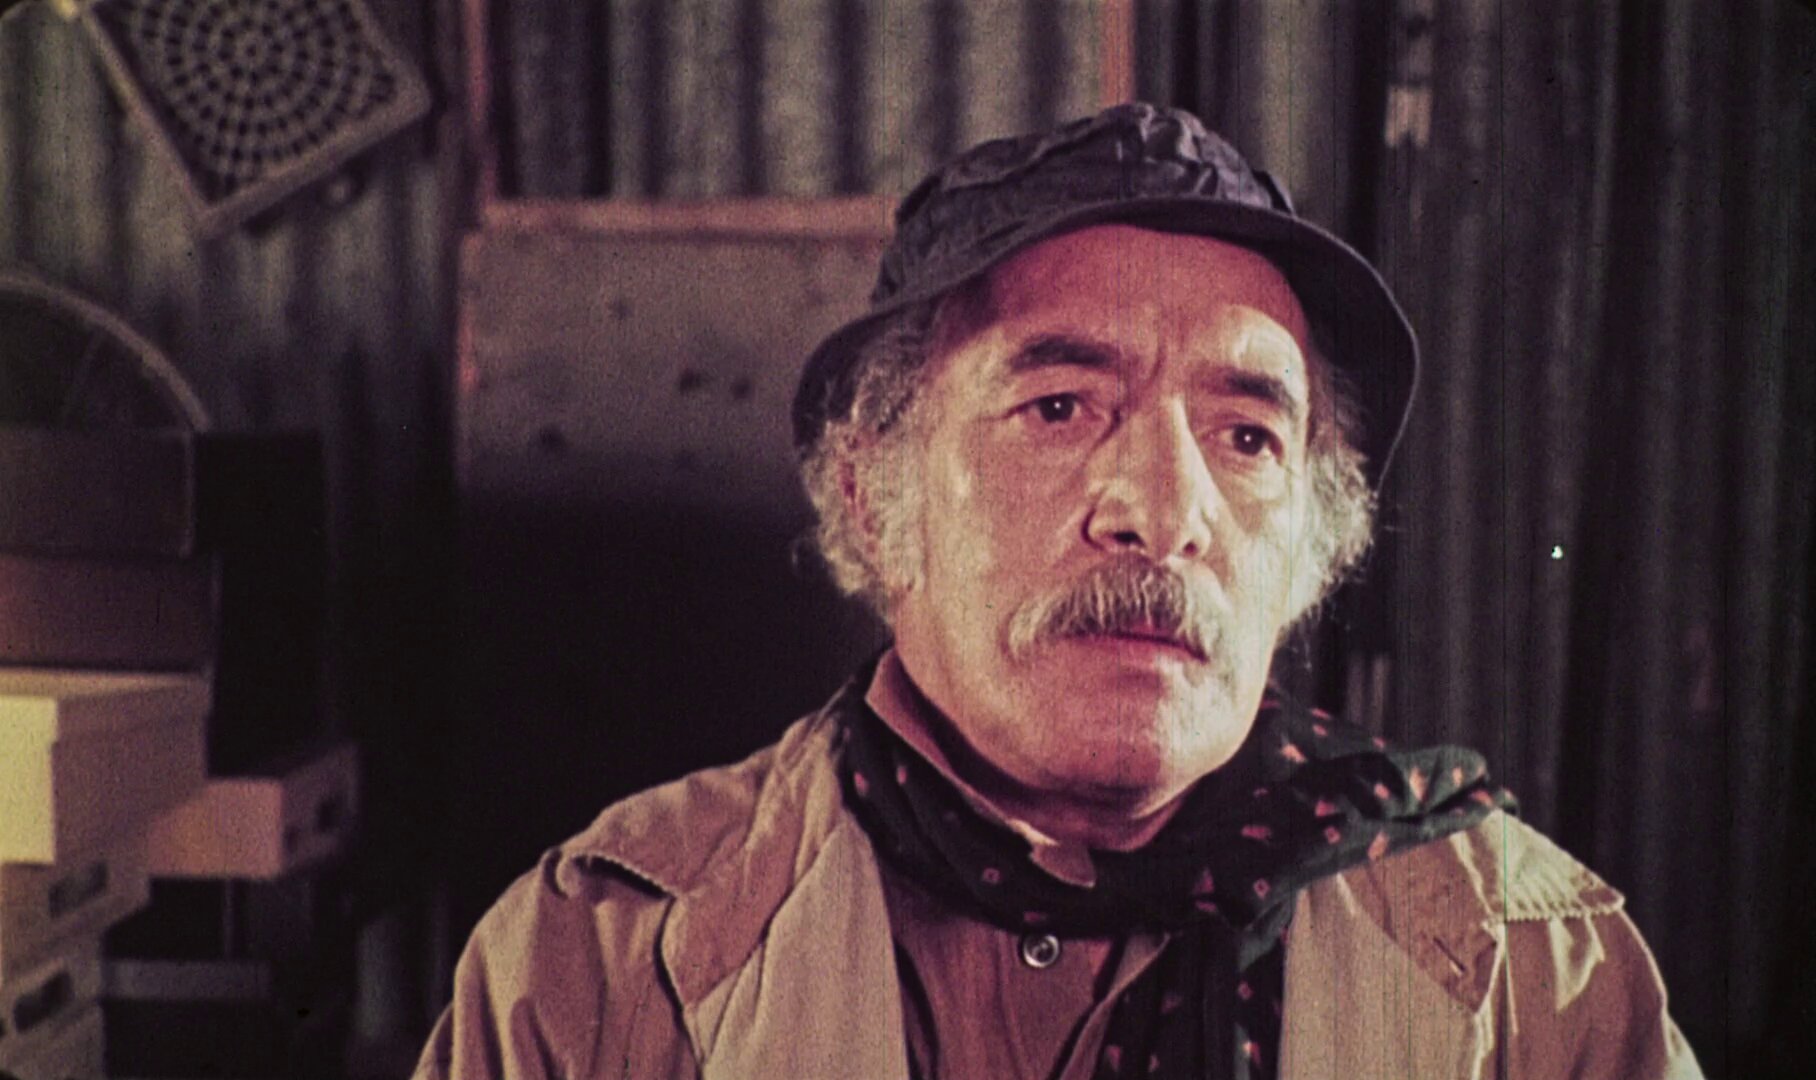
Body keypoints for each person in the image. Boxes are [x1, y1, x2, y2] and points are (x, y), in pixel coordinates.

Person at [414, 103, 1701, 1080]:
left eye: (1246, 436)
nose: (1163, 511)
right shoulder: (595, 969)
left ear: (1310, 548)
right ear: (874, 495)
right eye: (1059, 407)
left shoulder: (1535, 977)